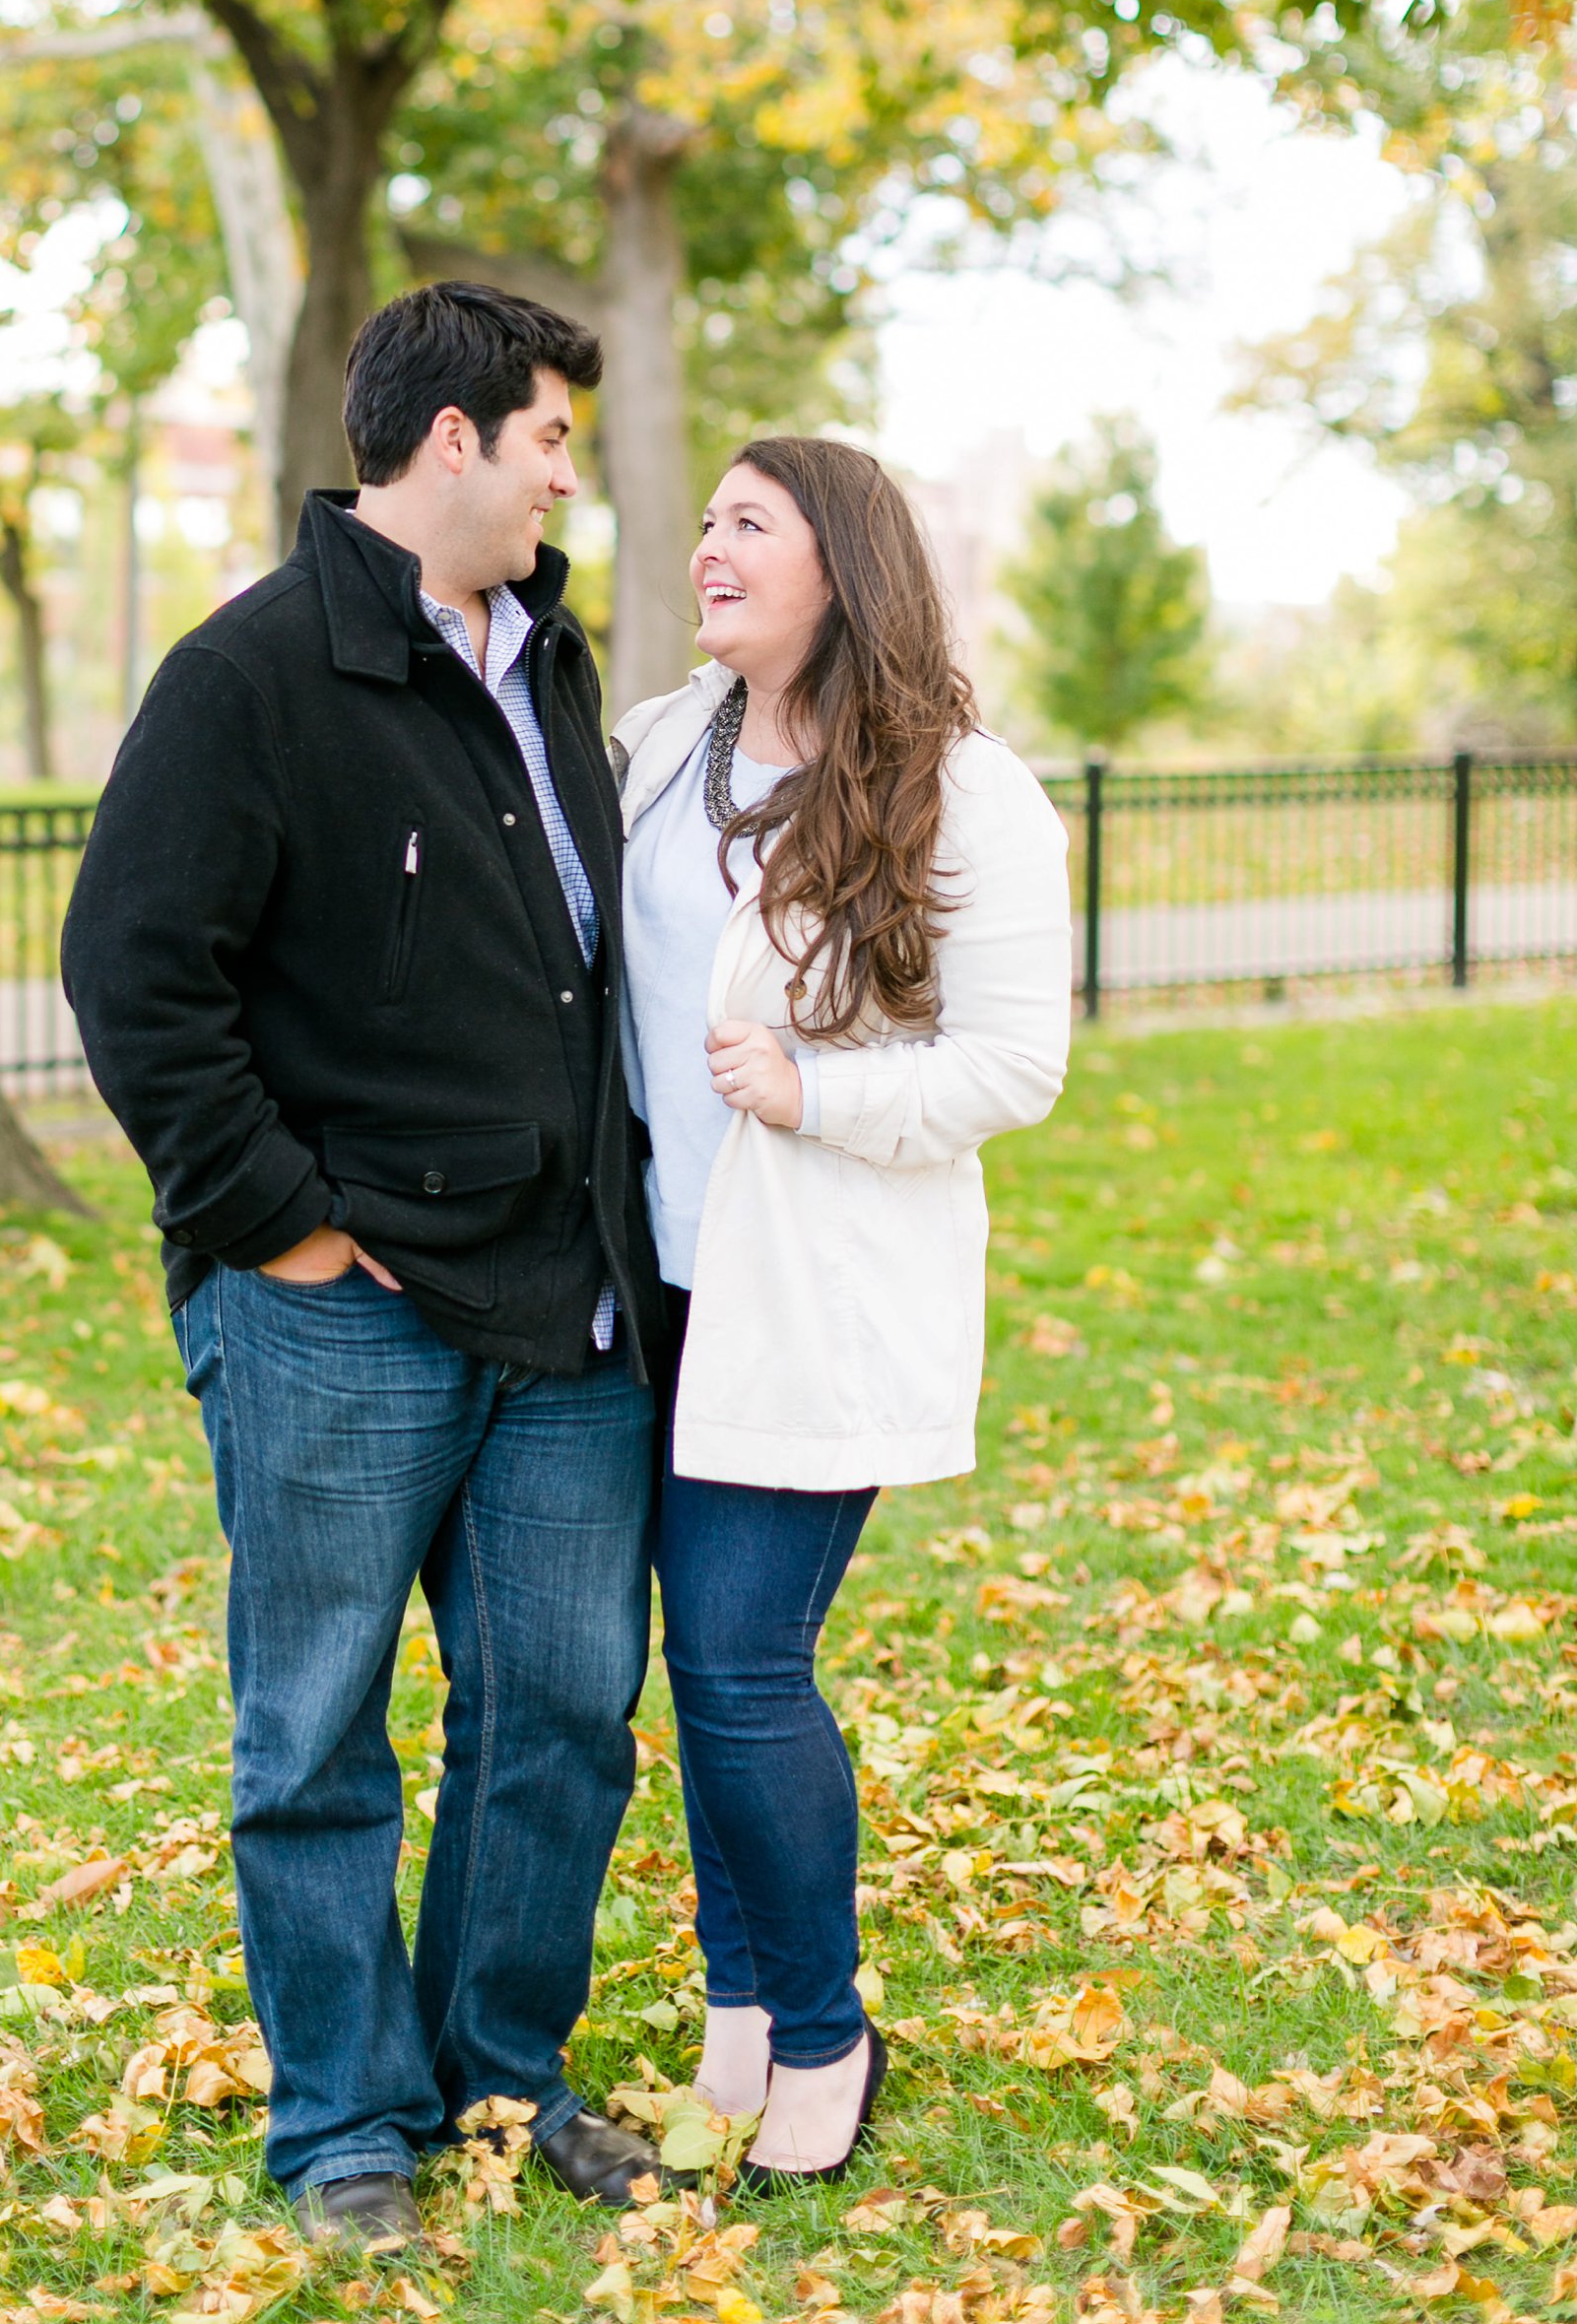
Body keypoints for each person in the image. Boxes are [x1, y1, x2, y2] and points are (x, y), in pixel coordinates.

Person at [61, 284, 672, 2245]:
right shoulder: (246, 676)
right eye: (551, 435)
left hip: (562, 1301)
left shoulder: (553, 663)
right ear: (449, 445)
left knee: (563, 1711)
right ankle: (342, 2130)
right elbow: (136, 975)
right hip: (339, 1308)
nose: (570, 467)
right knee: (314, 1728)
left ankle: (497, 2080)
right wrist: (278, 1222)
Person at [614, 436, 1071, 2188]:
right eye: (706, 517)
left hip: (808, 1288)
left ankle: (821, 2029)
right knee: (692, 1666)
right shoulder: (663, 749)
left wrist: (819, 1093)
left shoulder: (962, 787)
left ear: (842, 565)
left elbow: (1015, 1064)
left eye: (749, 522)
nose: (708, 546)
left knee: (738, 1665)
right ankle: (740, 2007)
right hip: (633, 1281)